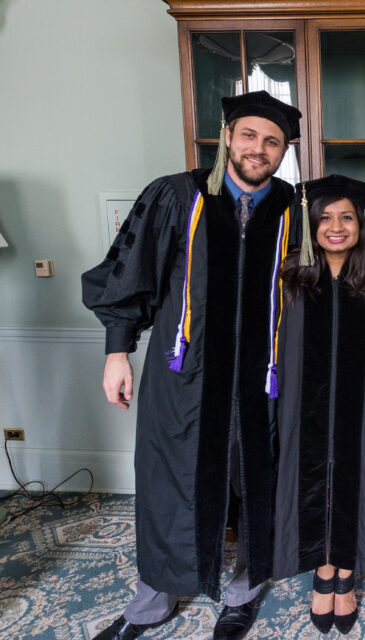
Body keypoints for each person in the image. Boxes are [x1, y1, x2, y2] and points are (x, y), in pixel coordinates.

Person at [81, 90, 301, 640]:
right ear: (226, 136)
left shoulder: (294, 209)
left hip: (264, 379)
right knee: (167, 482)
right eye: (248, 135)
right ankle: (153, 601)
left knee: (259, 482)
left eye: (272, 141)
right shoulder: (177, 197)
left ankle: (243, 595)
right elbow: (131, 274)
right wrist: (117, 352)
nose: (259, 148)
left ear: (283, 151)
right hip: (185, 375)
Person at [271, 175, 365, 635]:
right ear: (311, 225)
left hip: (363, 403)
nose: (336, 227)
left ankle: (346, 571)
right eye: (325, 218)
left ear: (360, 224)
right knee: (311, 479)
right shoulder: (291, 274)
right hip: (306, 403)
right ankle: (323, 573)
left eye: (346, 217)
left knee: (354, 479)